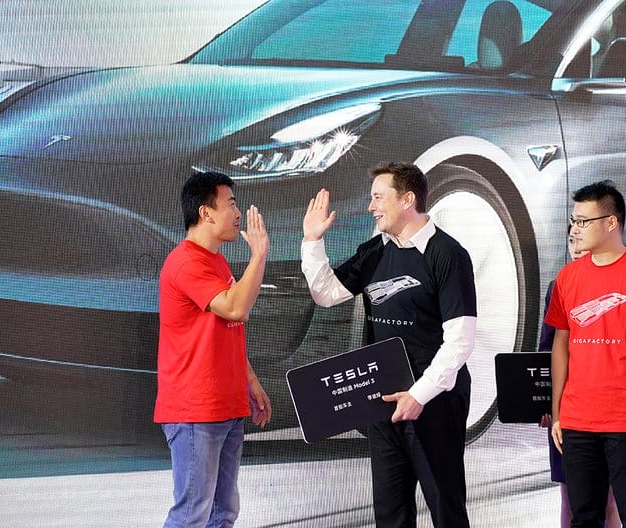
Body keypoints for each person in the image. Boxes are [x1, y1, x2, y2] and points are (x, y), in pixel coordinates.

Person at [301, 161, 476, 527]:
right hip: (383, 402)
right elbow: (326, 293)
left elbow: (460, 340)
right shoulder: (375, 251)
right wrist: (312, 241)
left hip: (434, 401)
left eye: (379, 198)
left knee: (446, 508)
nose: (371, 207)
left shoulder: (448, 254)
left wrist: (418, 395)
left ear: (407, 199)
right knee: (390, 512)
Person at [546, 180, 626, 528]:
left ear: (611, 222)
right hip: (577, 422)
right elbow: (561, 345)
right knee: (584, 517)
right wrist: (558, 411)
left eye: (583, 221)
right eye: (573, 221)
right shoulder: (567, 277)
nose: (575, 229)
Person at [154, 170, 272, 528]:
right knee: (192, 513)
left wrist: (249, 380)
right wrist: (259, 255)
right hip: (196, 411)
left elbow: (227, 329)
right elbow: (235, 308)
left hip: (226, 406)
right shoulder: (186, 262)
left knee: (223, 512)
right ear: (206, 213)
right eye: (231, 204)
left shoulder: (215, 260)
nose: (238, 213)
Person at [538, 227, 620, 528]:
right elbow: (546, 349)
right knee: (569, 497)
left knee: (609, 500)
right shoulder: (558, 287)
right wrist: (547, 405)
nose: (575, 248)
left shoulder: (620, 285)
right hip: (568, 413)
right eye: (571, 241)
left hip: (611, 411)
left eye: (581, 240)